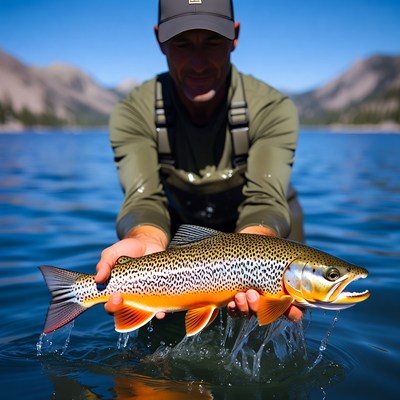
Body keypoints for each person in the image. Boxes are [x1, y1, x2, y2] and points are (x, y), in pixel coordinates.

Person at [96, 0, 304, 323]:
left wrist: (260, 263)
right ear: (160, 41)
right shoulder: (133, 113)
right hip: (181, 245)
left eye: (212, 41)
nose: (197, 63)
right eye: (181, 43)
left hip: (264, 239)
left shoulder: (273, 110)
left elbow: (265, 199)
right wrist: (146, 240)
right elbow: (144, 199)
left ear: (234, 37)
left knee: (281, 317)